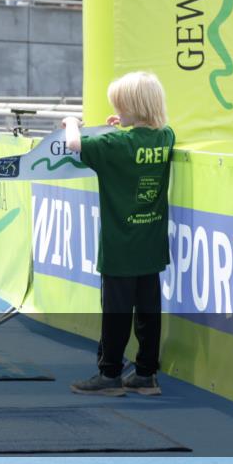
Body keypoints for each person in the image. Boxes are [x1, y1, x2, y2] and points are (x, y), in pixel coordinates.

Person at [62, 71, 175, 397]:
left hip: (120, 246)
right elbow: (138, 143)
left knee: (116, 313)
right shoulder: (166, 137)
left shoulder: (114, 143)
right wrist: (124, 125)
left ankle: (109, 373)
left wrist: (72, 121)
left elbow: (73, 144)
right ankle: (145, 374)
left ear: (129, 106)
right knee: (148, 312)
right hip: (151, 244)